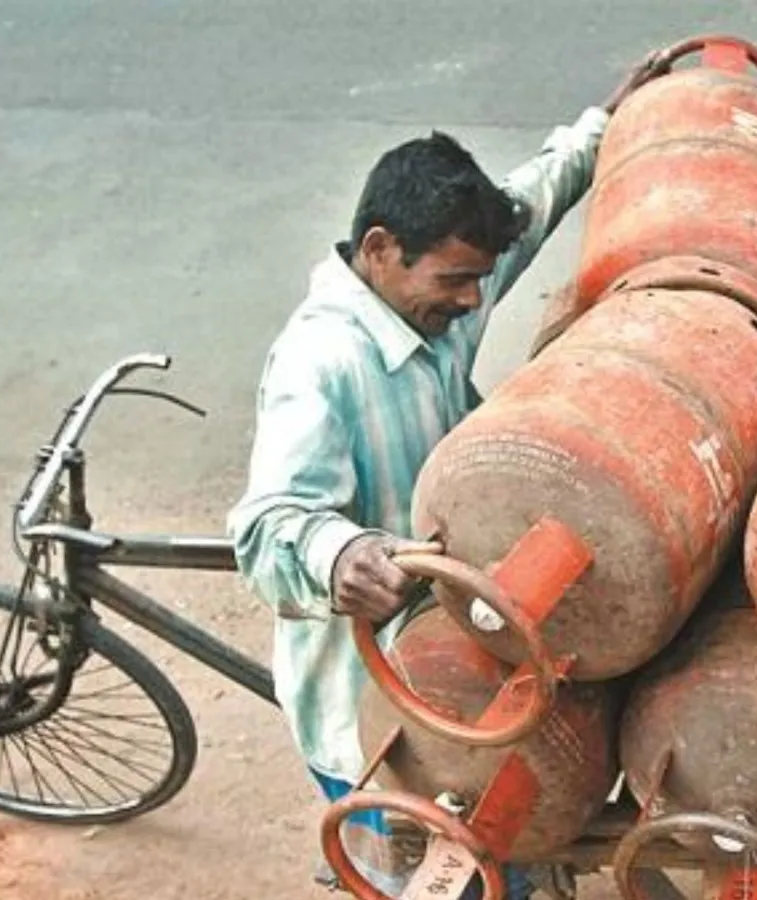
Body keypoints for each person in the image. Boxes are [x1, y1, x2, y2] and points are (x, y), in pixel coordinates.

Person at [227, 51, 664, 899]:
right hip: (383, 699)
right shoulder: (321, 363)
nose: (474, 301)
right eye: (456, 280)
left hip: (479, 650)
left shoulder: (431, 300)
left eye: (476, 278)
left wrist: (602, 125)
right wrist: (336, 553)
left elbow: (530, 204)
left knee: (510, 847)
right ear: (381, 250)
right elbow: (267, 522)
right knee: (433, 874)